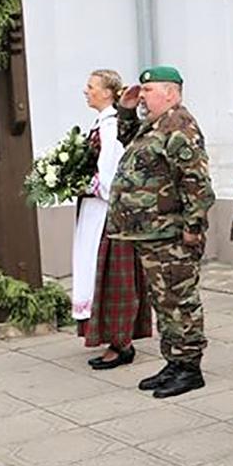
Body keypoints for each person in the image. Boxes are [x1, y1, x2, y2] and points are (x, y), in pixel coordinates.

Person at [109, 66, 216, 399]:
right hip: (152, 233)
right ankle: (174, 360)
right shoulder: (153, 126)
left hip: (172, 234)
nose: (143, 96)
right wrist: (125, 109)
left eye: (149, 90)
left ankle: (189, 367)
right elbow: (127, 139)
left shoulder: (180, 127)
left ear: (171, 93)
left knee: (179, 300)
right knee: (163, 299)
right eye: (142, 90)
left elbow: (197, 184)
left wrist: (193, 229)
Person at [75, 69, 143, 369]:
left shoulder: (112, 126)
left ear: (107, 92)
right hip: (94, 211)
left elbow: (112, 174)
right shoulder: (101, 123)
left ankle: (120, 343)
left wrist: (85, 183)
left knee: (110, 273)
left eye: (91, 87)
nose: (86, 91)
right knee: (95, 270)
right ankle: (111, 337)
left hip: (107, 213)